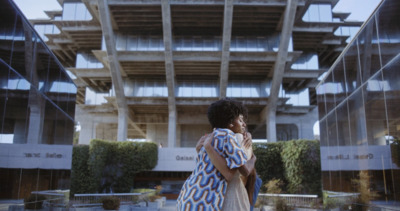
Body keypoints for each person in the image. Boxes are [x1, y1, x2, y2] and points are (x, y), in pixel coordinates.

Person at [176, 98, 256, 211]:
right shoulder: (229, 137)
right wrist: (253, 158)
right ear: (231, 123)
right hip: (206, 201)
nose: (244, 124)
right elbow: (244, 171)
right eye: (241, 120)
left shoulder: (207, 139)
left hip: (189, 195)